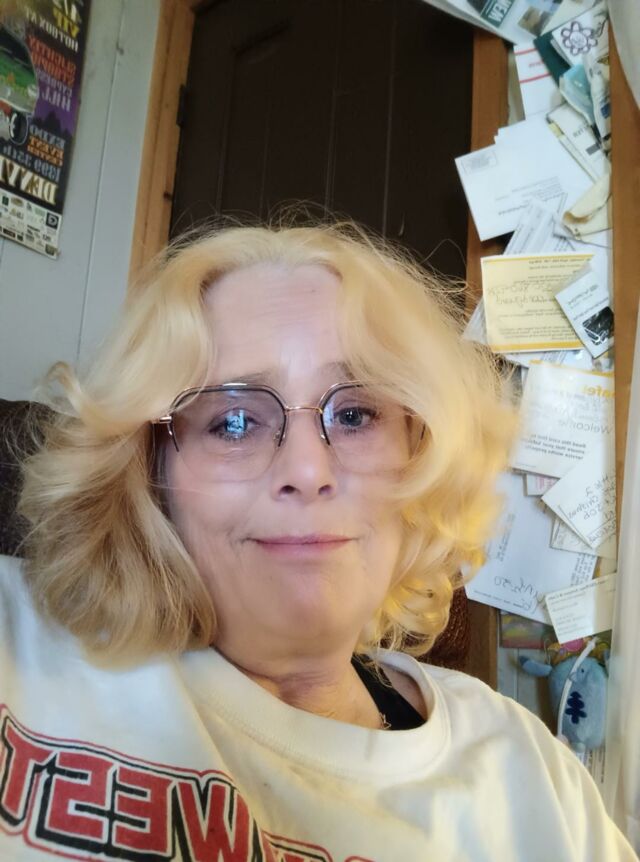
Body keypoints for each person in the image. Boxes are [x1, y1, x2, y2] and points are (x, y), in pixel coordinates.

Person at [0, 222, 636, 862]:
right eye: (235, 421)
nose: (307, 471)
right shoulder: (18, 642)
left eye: (355, 415)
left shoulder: (533, 780)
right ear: (149, 470)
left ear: (422, 454)